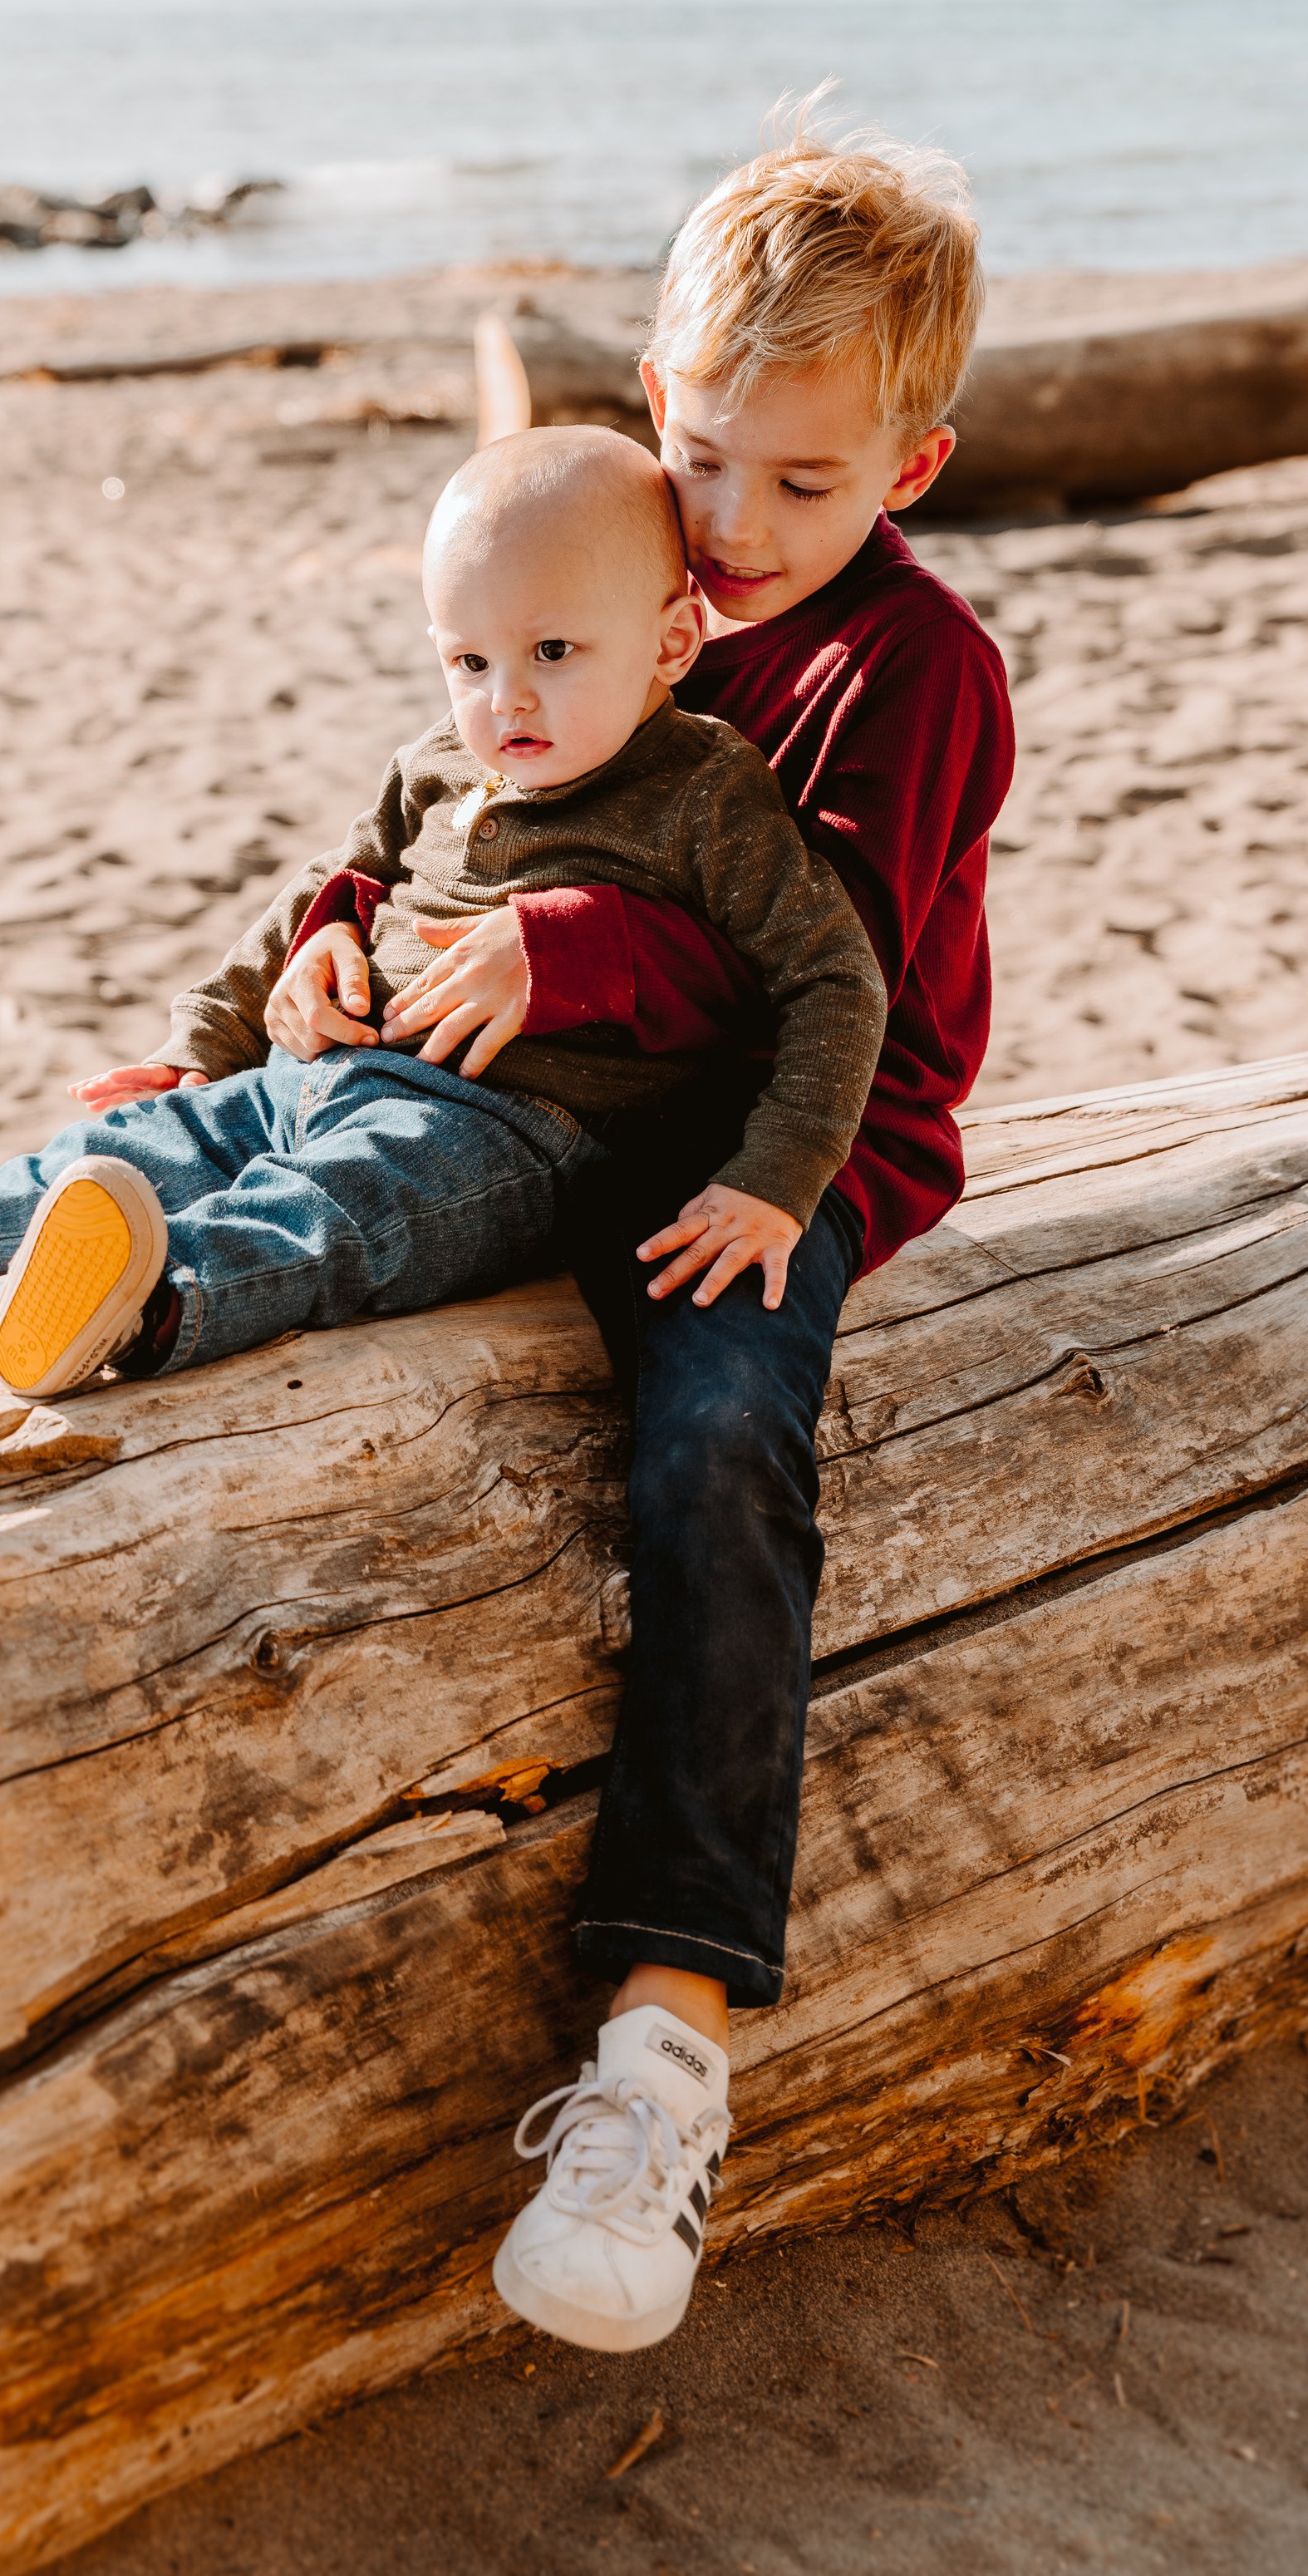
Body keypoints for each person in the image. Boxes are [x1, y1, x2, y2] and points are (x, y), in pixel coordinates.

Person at [270, 124, 1013, 2353]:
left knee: (711, 1458)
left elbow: (834, 978)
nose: (744, 527)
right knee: (275, 1190)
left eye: (809, 481)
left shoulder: (912, 669)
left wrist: (575, 951)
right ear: (646, 404)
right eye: (705, 459)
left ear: (914, 460)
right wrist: (331, 939)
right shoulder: (623, 567)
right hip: (563, 1124)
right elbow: (447, 797)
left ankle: (663, 2039)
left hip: (781, 1160)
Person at [0, 426, 885, 1433]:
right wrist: (204, 1043)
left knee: (337, 1211)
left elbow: (835, 981)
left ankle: (161, 1302)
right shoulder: (434, 765)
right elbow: (328, 887)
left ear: (672, 642)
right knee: (116, 1155)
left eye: (554, 653)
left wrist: (774, 1182)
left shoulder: (701, 789)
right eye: (469, 660)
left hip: (509, 1133)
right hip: (317, 1069)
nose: (506, 699)